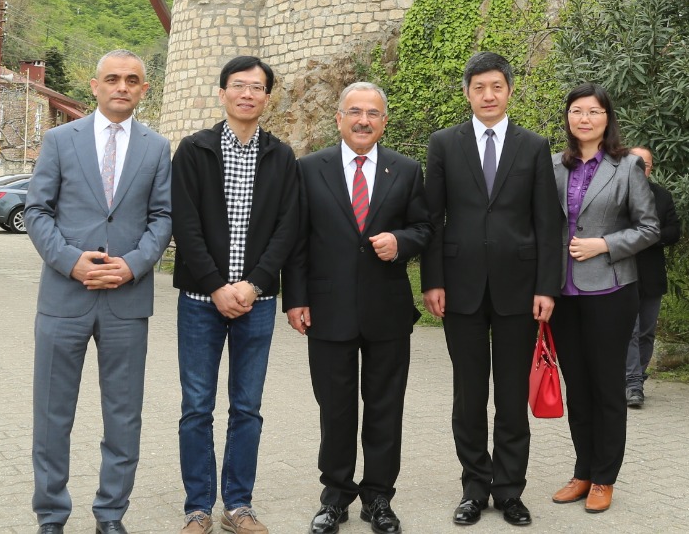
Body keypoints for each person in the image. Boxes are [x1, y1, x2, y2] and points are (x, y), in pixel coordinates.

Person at [25, 49, 173, 534]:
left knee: (124, 416)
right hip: (64, 297)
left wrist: (133, 266)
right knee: (52, 414)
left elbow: (163, 217)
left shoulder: (157, 148)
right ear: (95, 86)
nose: (121, 86)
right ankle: (51, 514)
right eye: (112, 78)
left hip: (127, 302)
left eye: (131, 79)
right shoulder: (59, 140)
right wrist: (71, 261)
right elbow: (37, 211)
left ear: (144, 89)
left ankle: (110, 514)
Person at [422, 51, 563, 528]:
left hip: (519, 290)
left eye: (496, 87)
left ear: (509, 91)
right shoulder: (444, 143)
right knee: (468, 395)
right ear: (467, 92)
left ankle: (509, 490)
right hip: (459, 287)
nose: (488, 95)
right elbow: (432, 218)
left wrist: (547, 286)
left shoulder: (533, 146)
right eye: (479, 87)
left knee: (510, 395)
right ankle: (473, 488)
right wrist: (433, 280)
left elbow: (547, 222)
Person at [284, 82, 432, 534]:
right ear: (339, 118)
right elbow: (296, 239)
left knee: (386, 408)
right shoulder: (309, 169)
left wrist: (400, 242)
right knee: (336, 409)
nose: (363, 120)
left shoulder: (406, 170)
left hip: (387, 311)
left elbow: (424, 227)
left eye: (372, 113)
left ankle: (379, 498)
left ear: (384, 122)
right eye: (355, 112)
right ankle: (335, 497)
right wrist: (296, 298)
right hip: (327, 310)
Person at [172, 56, 301, 534]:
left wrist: (253, 283)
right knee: (196, 406)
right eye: (239, 85)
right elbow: (185, 224)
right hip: (200, 302)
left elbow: (288, 228)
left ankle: (239, 505)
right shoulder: (194, 150)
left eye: (257, 87)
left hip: (257, 303)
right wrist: (215, 285)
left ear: (267, 97)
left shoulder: (281, 156)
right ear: (223, 92)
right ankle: (198, 507)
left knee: (247, 407)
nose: (248, 94)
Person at [546, 86, 659, 515]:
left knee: (607, 387)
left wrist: (604, 244)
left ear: (607, 118)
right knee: (577, 387)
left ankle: (604, 478)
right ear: (568, 118)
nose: (585, 118)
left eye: (594, 111)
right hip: (563, 292)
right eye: (577, 111)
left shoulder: (627, 166)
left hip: (611, 289)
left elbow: (649, 228)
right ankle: (582, 471)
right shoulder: (552, 166)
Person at [624, 146, 680, 409]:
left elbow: (674, 231)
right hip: (622, 274)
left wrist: (647, 236)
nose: (639, 168)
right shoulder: (616, 192)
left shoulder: (662, 196)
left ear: (651, 168)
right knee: (630, 331)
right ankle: (633, 383)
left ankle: (637, 378)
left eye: (644, 164)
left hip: (651, 275)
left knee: (646, 332)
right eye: (634, 163)